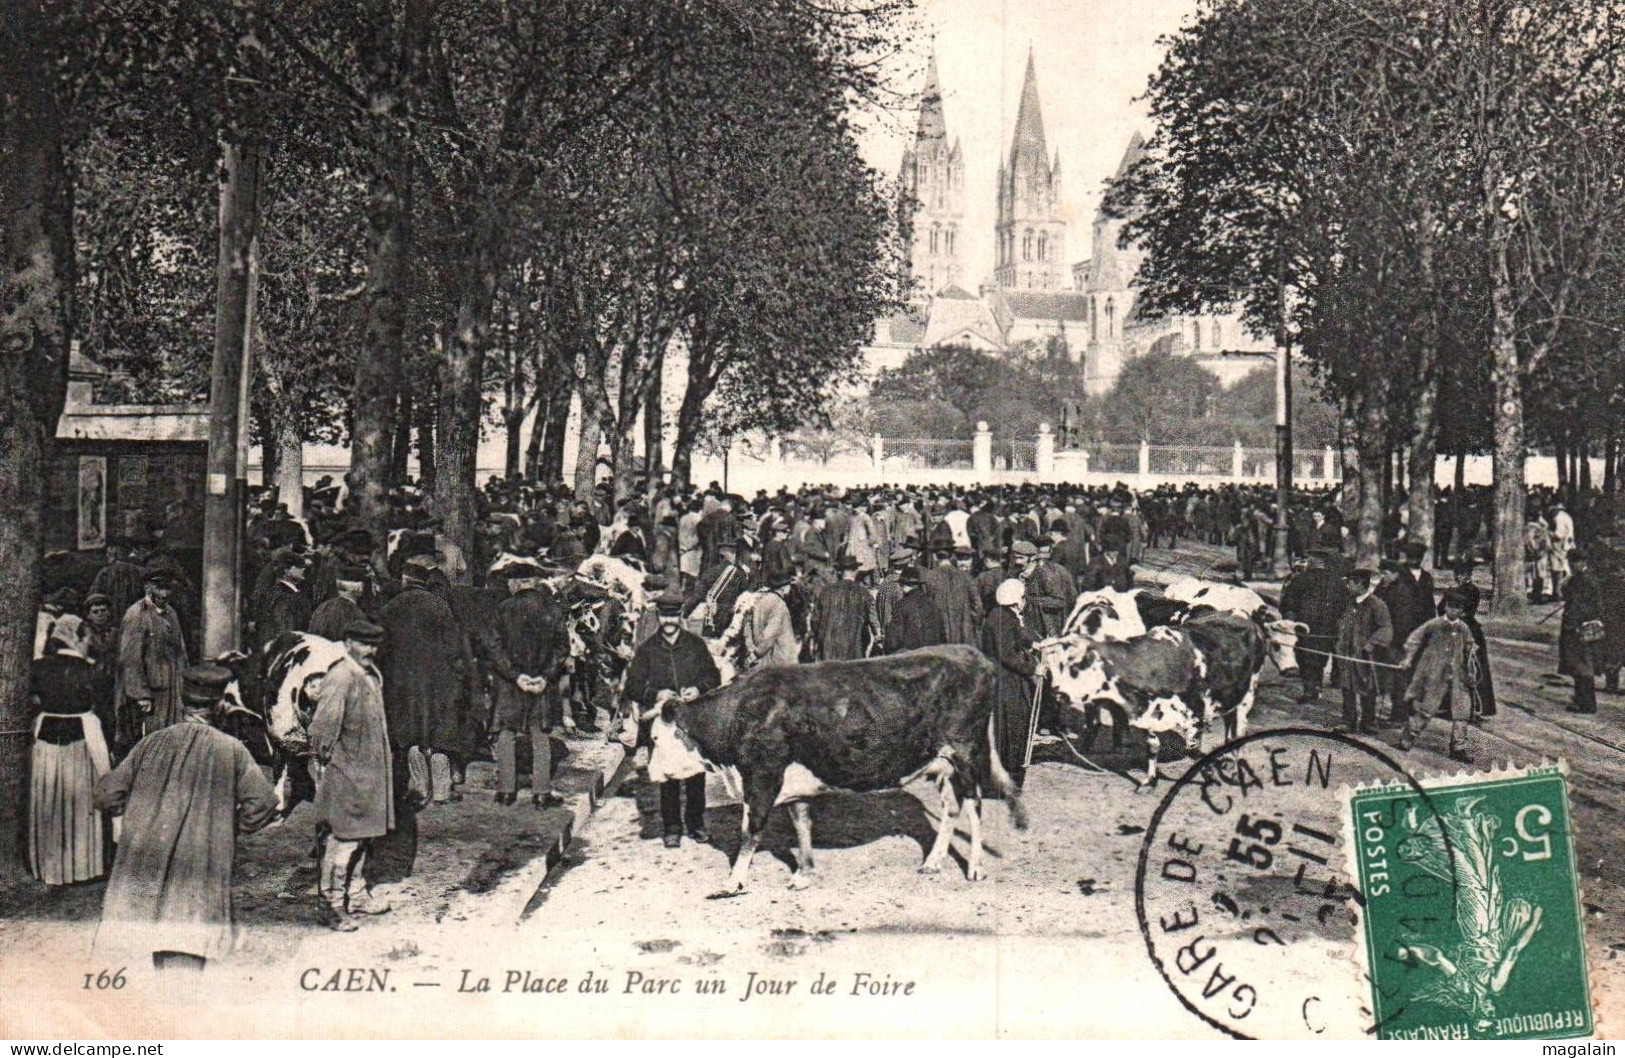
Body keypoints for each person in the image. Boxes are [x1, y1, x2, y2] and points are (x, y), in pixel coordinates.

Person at [94, 663, 278, 971]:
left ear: (181, 702)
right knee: (185, 964)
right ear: (220, 705)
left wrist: (133, 817)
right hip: (198, 878)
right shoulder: (231, 750)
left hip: (147, 874)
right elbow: (263, 803)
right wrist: (230, 827)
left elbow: (106, 794)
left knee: (158, 953)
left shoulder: (151, 742)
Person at [308, 620, 396, 930]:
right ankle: (331, 904)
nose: (370, 650)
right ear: (347, 644)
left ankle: (355, 894)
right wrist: (325, 764)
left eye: (374, 645)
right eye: (363, 644)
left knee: (364, 837)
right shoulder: (341, 676)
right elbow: (323, 729)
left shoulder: (369, 675)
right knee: (343, 840)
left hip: (370, 772)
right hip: (348, 773)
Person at [624, 590, 723, 848]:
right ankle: (671, 828)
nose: (669, 622)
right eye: (664, 617)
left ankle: (696, 823)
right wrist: (655, 693)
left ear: (680, 616)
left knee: (695, 775)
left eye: (673, 616)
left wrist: (699, 689)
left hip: (692, 720)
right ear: (658, 616)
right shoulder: (647, 650)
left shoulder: (695, 645)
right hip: (662, 722)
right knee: (668, 777)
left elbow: (714, 677)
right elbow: (632, 686)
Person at [379, 554, 469, 806]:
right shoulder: (439, 605)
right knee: (439, 733)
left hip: (403, 681)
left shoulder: (391, 607)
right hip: (438, 680)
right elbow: (453, 647)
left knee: (411, 734)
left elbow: (383, 649)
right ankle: (442, 791)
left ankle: (419, 788)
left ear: (405, 580)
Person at [30, 618, 113, 885]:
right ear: (75, 638)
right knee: (79, 802)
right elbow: (104, 711)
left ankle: (50, 866)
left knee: (50, 800)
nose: (90, 643)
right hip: (81, 741)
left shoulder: (39, 667)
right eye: (87, 637)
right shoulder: (92, 671)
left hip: (46, 743)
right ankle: (81, 867)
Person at [489, 561, 567, 809]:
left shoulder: (502, 609)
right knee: (540, 735)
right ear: (533, 582)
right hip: (541, 682)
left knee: (506, 733)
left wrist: (515, 676)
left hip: (510, 684)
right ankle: (541, 793)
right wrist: (545, 675)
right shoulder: (552, 609)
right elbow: (562, 648)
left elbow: (495, 648)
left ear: (515, 583)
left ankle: (505, 791)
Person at [1396, 588, 1480, 763]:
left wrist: (1471, 672)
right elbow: (1414, 640)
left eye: (1458, 608)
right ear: (1445, 607)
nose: (1453, 610)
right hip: (1434, 674)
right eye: (1450, 606)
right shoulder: (1434, 624)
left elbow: (1470, 652)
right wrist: (1408, 658)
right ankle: (1408, 736)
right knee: (1426, 709)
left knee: (1462, 712)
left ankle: (1458, 747)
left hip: (1458, 676)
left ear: (1462, 610)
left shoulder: (1464, 628)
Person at [114, 567, 189, 748]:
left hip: (172, 688)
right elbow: (130, 658)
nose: (164, 593)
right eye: (159, 588)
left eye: (168, 589)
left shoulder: (171, 613)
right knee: (149, 742)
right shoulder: (136, 614)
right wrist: (141, 695)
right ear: (148, 587)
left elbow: (181, 651)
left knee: (171, 738)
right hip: (150, 693)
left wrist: (185, 682)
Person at [983, 579, 1039, 787]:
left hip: (1002, 681)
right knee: (1012, 728)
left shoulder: (1002, 616)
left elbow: (1019, 634)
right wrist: (1032, 668)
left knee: (1004, 729)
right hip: (1007, 683)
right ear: (1017, 601)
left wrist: (1034, 642)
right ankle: (1011, 777)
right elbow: (1007, 654)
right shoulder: (1003, 620)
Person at [1279, 549, 1350, 703]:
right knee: (1321, 656)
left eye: (1310, 558)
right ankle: (1319, 685)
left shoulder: (1301, 579)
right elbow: (1346, 604)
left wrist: (1290, 619)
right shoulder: (1337, 581)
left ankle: (1311, 690)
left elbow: (1288, 601)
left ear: (1315, 560)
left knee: (1306, 657)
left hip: (1306, 626)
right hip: (1328, 627)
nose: (1308, 561)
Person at [1333, 567, 1392, 735]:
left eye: (1350, 583)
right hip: (1346, 654)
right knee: (1347, 687)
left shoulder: (1377, 605)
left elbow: (1386, 629)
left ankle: (1368, 722)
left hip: (1365, 657)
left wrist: (1372, 644)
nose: (1347, 586)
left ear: (1359, 583)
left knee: (1367, 688)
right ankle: (1348, 721)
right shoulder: (1349, 602)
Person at [1560, 547, 1602, 715]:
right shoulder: (1576, 579)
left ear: (1583, 562)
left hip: (1581, 628)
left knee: (1583, 665)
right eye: (1570, 562)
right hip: (1574, 627)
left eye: (1575, 562)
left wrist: (1575, 623)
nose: (1572, 565)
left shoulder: (1587, 581)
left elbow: (1587, 607)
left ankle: (1587, 704)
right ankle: (1580, 699)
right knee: (1576, 665)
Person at [811, 555, 871, 661]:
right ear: (856, 571)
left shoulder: (826, 591)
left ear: (839, 572)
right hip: (854, 650)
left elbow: (815, 621)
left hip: (828, 649)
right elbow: (874, 619)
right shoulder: (863, 593)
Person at [922, 545, 981, 648]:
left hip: (939, 634)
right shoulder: (966, 577)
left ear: (935, 557)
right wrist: (972, 622)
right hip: (964, 633)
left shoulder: (929, 578)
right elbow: (977, 606)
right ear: (952, 556)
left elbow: (926, 607)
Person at [883, 566, 947, 654]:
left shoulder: (901, 605)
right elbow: (942, 635)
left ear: (902, 585)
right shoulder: (932, 604)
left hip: (911, 658)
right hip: (932, 656)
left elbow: (894, 639)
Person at [745, 572, 800, 669]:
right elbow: (770, 633)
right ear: (784, 588)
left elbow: (747, 626)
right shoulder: (779, 604)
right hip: (779, 658)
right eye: (789, 586)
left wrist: (751, 649)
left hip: (762, 656)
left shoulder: (758, 600)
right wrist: (757, 653)